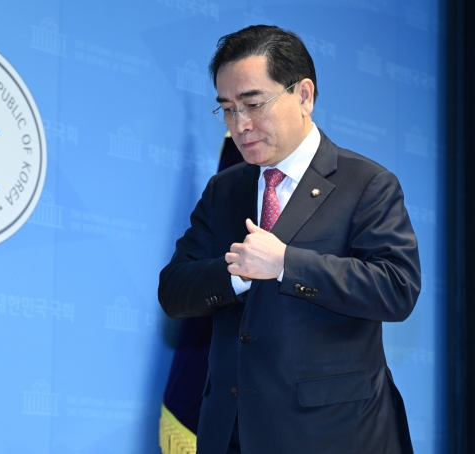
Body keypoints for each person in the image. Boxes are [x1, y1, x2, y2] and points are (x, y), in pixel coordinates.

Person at [158, 25, 421, 454]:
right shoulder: (223, 190)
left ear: (304, 95)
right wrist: (235, 275)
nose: (240, 124)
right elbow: (173, 291)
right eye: (226, 109)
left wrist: (285, 263)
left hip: (333, 434)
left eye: (253, 104)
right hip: (233, 434)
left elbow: (397, 289)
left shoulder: (367, 183)